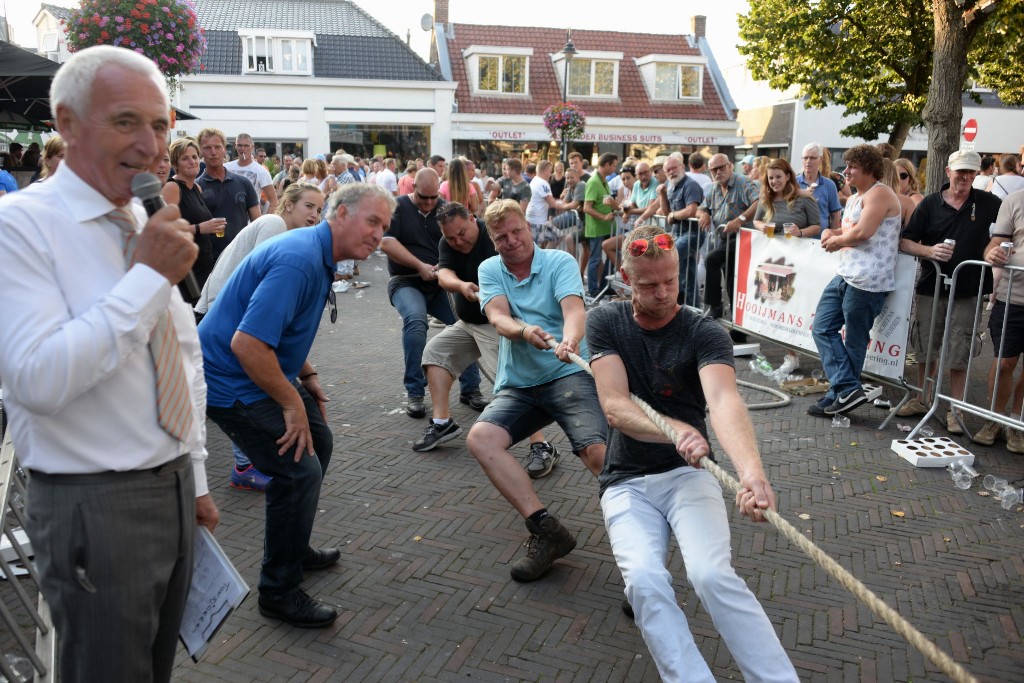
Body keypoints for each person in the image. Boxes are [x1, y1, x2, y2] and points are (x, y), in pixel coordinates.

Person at [0, 44, 218, 681]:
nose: (150, 145)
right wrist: (148, 275)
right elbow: (36, 379)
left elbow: (179, 352)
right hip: (92, 502)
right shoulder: (20, 226)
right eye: (126, 121)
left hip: (172, 483)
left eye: (159, 124)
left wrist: (196, 474)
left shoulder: (142, 217)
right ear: (66, 124)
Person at [587, 224, 798, 683]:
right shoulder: (606, 320)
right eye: (647, 284)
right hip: (625, 480)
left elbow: (724, 401)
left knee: (711, 575)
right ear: (625, 276)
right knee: (644, 582)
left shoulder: (705, 330)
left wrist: (751, 473)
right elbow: (615, 406)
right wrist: (677, 428)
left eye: (670, 281)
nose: (662, 293)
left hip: (689, 473)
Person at [200, 183, 395, 628]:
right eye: (372, 222)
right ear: (340, 214)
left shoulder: (318, 254)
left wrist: (305, 376)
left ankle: (294, 545)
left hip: (258, 373)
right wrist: (291, 402)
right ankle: (278, 591)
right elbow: (247, 343)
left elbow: (278, 327)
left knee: (318, 443)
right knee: (297, 468)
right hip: (229, 380)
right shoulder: (299, 258)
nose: (377, 235)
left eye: (383, 227)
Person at [467, 199, 606, 582]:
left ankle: (639, 550)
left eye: (517, 231)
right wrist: (524, 331)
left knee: (597, 453)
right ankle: (547, 531)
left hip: (567, 372)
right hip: (520, 382)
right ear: (493, 241)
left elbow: (574, 310)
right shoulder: (490, 268)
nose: (511, 241)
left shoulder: (558, 262)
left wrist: (572, 340)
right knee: (481, 439)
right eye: (501, 237)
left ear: (529, 229)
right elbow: (497, 317)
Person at [416, 202, 560, 475]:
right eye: (451, 237)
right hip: (468, 322)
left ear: (472, 219)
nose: (458, 241)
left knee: (511, 384)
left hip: (495, 325)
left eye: (462, 233)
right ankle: (442, 421)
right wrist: (461, 285)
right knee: (435, 352)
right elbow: (443, 273)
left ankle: (542, 445)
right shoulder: (448, 241)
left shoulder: (493, 238)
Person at [897, 151, 1002, 433]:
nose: (966, 177)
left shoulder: (990, 203)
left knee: (960, 348)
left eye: (972, 171)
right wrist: (929, 251)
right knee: (925, 345)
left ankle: (956, 409)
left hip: (970, 288)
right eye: (961, 172)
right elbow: (905, 242)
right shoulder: (930, 204)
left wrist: (996, 252)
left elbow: (1004, 237)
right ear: (948, 171)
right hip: (931, 286)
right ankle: (923, 398)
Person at [381, 168, 485, 418]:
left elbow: (460, 244)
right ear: (412, 188)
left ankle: (471, 389)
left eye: (433, 197)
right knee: (416, 322)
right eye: (423, 197)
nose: (429, 203)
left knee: (465, 326)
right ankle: (415, 392)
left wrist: (448, 271)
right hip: (406, 280)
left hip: (440, 284)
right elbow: (385, 242)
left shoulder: (445, 209)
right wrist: (420, 266)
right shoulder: (397, 207)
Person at [810, 144, 902, 417]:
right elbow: (848, 228)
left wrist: (836, 241)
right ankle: (845, 389)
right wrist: (830, 231)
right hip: (846, 275)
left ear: (870, 170)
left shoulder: (881, 193)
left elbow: (863, 232)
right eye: (847, 166)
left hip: (869, 281)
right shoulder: (854, 198)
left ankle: (840, 393)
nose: (846, 171)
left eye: (853, 167)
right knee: (821, 328)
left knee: (854, 341)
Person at [977, 189, 1024, 451]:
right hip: (1013, 297)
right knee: (1004, 362)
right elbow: (996, 243)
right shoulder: (1015, 199)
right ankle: (994, 417)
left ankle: (1017, 422)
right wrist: (991, 254)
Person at [696, 154, 758, 325]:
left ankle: (715, 305)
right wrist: (704, 215)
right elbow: (700, 208)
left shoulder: (743, 182)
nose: (718, 172)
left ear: (730, 166)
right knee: (732, 280)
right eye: (714, 169)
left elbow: (759, 202)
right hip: (724, 239)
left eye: (721, 167)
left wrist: (740, 220)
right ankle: (738, 327)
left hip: (743, 238)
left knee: (711, 259)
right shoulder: (714, 189)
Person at [162, 137, 222, 304]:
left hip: (203, 266)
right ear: (176, 164)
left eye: (194, 157)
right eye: (185, 158)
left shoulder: (197, 188)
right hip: (185, 271)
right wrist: (198, 228)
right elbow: (164, 229)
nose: (192, 161)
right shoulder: (172, 187)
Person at [197, 127, 260, 260]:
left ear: (225, 149)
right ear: (201, 151)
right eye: (207, 148)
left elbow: (257, 223)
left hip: (243, 255)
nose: (213, 152)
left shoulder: (244, 183)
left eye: (217, 147)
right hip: (210, 260)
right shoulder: (197, 188)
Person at [583, 153, 621, 296]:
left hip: (606, 228)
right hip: (597, 228)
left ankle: (605, 286)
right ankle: (593, 290)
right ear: (607, 165)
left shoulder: (603, 180)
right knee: (596, 259)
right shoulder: (593, 182)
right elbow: (587, 207)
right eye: (614, 165)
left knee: (611, 256)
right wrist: (604, 217)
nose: (615, 168)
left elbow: (605, 202)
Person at [753, 158, 821, 239]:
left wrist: (799, 232)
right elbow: (756, 220)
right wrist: (762, 226)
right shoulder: (766, 198)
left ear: (787, 176)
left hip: (797, 248)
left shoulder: (804, 198)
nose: (774, 181)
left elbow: (816, 227)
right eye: (771, 178)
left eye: (778, 177)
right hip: (771, 249)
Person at [226, 133, 278, 214]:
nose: (242, 148)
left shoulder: (261, 171)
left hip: (251, 222)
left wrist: (263, 223)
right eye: (239, 145)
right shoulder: (226, 167)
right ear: (235, 146)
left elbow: (273, 201)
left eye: (246, 145)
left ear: (252, 147)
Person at [796, 142, 841, 232]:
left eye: (812, 158)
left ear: (820, 160)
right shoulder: (793, 183)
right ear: (802, 159)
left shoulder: (829, 185)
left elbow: (835, 215)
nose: (808, 161)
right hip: (796, 238)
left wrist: (833, 237)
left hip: (820, 240)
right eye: (805, 158)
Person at [525, 160, 565, 246]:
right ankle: (544, 258)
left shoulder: (535, 180)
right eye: (550, 171)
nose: (551, 174)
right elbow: (552, 203)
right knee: (535, 247)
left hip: (535, 218)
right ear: (544, 170)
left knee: (557, 236)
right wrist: (565, 205)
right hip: (537, 220)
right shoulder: (543, 183)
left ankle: (545, 257)